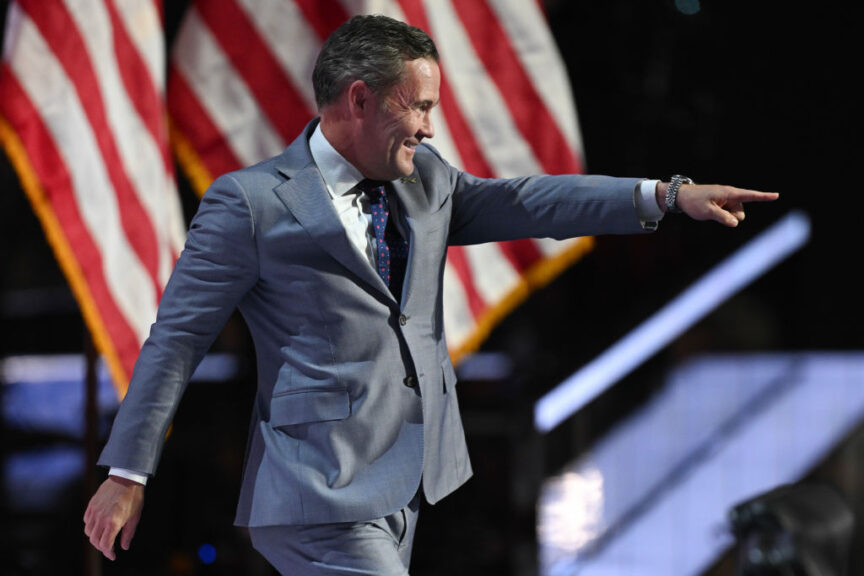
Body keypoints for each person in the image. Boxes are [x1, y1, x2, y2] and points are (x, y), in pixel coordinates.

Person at [83, 14, 778, 575]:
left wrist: (664, 196)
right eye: (418, 106)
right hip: (316, 489)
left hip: (407, 479)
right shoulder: (251, 203)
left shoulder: (426, 181)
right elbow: (176, 339)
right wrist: (127, 471)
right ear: (360, 98)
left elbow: (530, 202)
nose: (429, 126)